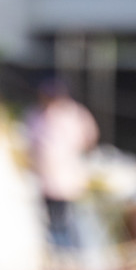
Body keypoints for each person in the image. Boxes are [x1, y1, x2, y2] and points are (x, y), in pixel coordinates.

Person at [23, 77, 99, 253]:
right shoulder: (37, 115)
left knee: (72, 218)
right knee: (52, 219)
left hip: (70, 178)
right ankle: (61, 252)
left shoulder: (74, 114)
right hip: (46, 178)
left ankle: (74, 252)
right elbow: (30, 145)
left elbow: (89, 138)